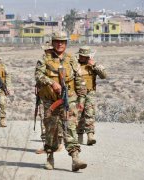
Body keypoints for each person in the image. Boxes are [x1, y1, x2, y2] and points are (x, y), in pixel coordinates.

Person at [35, 32, 87, 171]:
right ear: (52, 42)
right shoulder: (45, 58)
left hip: (69, 98)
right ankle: (50, 157)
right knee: (51, 129)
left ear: (66, 44)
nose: (60, 44)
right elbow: (38, 75)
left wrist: (81, 98)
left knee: (70, 127)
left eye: (62, 42)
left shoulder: (71, 59)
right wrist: (51, 82)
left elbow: (79, 79)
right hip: (50, 100)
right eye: (57, 41)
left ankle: (75, 158)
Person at [76, 46, 107, 145]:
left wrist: (95, 65)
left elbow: (104, 76)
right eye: (81, 55)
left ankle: (90, 136)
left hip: (90, 93)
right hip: (77, 93)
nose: (82, 57)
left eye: (84, 56)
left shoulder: (93, 65)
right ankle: (79, 137)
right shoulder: (75, 65)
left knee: (89, 113)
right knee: (78, 115)